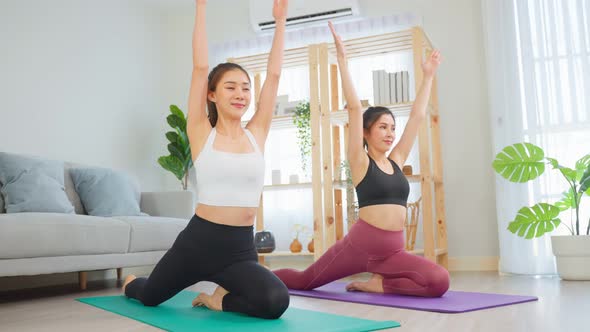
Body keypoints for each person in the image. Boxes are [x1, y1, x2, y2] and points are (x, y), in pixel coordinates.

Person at [122, 0, 290, 319]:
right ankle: (132, 283)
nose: (241, 94)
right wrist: (200, 7)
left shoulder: (257, 132)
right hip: (197, 245)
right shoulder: (202, 132)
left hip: (240, 250)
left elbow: (275, 75)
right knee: (150, 297)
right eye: (230, 87)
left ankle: (218, 298)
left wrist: (280, 22)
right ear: (212, 94)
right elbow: (200, 68)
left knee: (275, 300)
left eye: (245, 88)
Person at [273, 22, 449, 297]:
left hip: (393, 252)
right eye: (382, 127)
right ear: (366, 132)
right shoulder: (359, 160)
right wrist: (342, 59)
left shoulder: (396, 160)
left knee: (439, 281)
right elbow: (355, 108)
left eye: (392, 127)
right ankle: (255, 277)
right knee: (304, 281)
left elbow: (416, 117)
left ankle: (379, 283)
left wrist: (428, 76)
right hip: (358, 247)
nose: (390, 133)